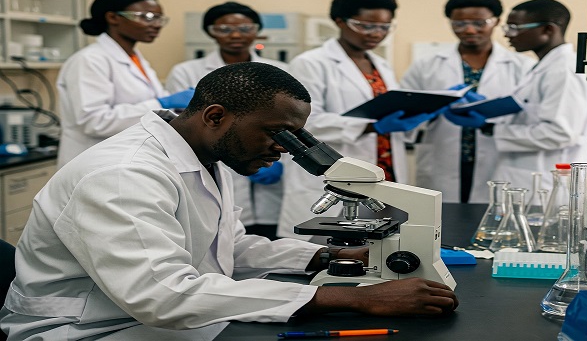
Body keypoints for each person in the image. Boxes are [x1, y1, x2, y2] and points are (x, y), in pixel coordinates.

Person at [0, 62, 458, 340]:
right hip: (89, 330)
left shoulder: (205, 154)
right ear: (216, 116)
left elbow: (228, 247)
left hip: (147, 319)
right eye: (277, 133)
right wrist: (350, 298)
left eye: (295, 137)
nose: (284, 148)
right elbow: (163, 295)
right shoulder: (124, 175)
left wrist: (329, 256)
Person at [278, 0, 433, 240]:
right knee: (325, 249)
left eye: (384, 27)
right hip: (334, 175)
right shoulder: (311, 63)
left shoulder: (381, 65)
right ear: (340, 21)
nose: (376, 33)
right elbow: (302, 123)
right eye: (366, 26)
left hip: (383, 171)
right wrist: (373, 127)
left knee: (382, 245)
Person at [447, 0, 587, 192]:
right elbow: (529, 111)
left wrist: (490, 128)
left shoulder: (563, 71)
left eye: (514, 28)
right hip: (531, 178)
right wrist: (486, 107)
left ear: (547, 30)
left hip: (548, 182)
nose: (507, 35)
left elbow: (560, 133)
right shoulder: (544, 68)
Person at [165, 2, 289, 239]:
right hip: (213, 165)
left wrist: (283, 162)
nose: (235, 35)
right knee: (220, 234)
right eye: (224, 29)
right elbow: (183, 125)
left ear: (257, 31)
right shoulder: (186, 71)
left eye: (245, 28)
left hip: (270, 176)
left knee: (265, 241)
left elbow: (290, 122)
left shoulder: (280, 70)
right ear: (210, 32)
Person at [400, 0, 536, 204]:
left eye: (479, 23)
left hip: (498, 156)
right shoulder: (426, 66)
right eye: (459, 24)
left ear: (496, 21)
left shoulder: (524, 67)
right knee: (442, 219)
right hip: (441, 157)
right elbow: (404, 112)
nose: (469, 30)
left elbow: (530, 116)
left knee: (491, 216)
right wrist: (429, 111)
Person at [56, 0, 194, 168]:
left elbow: (147, 104)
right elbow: (94, 121)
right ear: (113, 17)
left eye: (159, 18)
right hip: (95, 162)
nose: (156, 24)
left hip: (128, 158)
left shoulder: (136, 59)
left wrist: (180, 107)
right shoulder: (89, 60)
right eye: (147, 17)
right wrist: (162, 104)